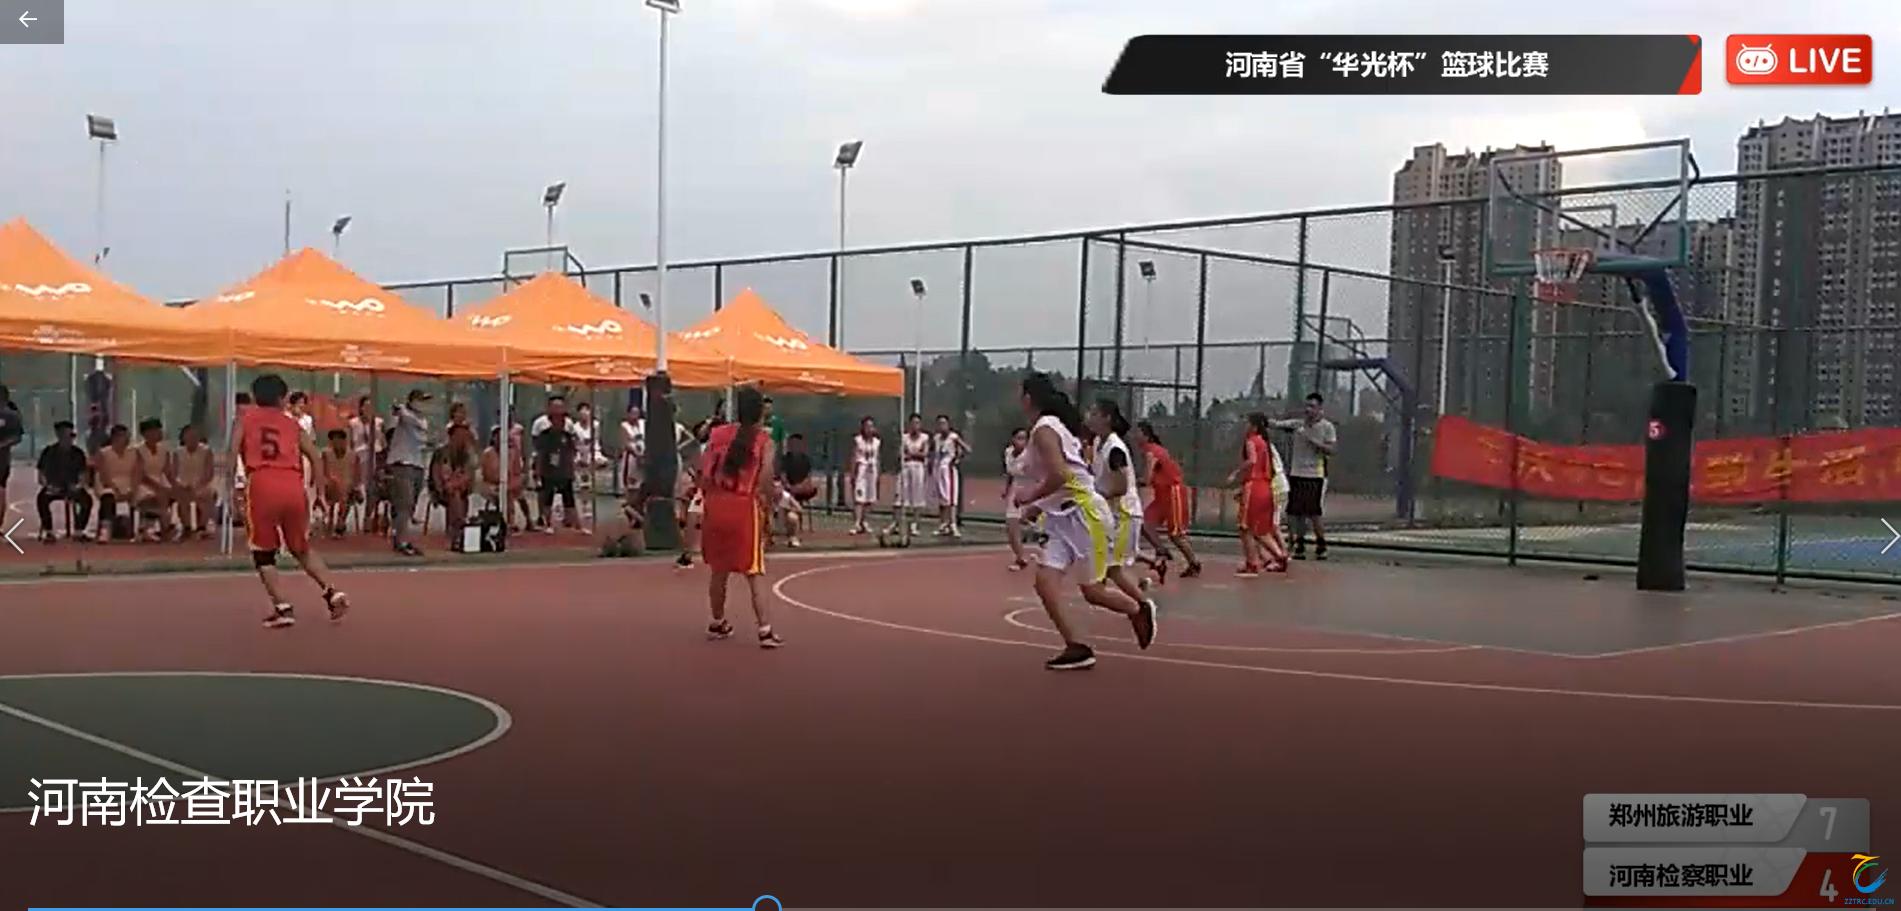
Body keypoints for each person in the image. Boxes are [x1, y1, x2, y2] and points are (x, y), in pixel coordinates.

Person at [1010, 372, 1156, 670]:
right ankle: (1076, 646)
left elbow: (1061, 475)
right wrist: (1039, 506)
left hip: (1086, 515)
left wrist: (1029, 497)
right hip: (1061, 518)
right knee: (1045, 582)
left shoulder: (1045, 429)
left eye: (1020, 393)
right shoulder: (1049, 427)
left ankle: (1138, 608)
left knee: (1093, 592)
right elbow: (1065, 477)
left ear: (1028, 398)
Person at [235, 374, 350, 629]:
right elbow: (315, 456)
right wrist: (320, 492)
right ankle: (332, 591)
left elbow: (232, 452)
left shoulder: (246, 420)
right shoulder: (292, 424)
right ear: (283, 398)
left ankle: (282, 606)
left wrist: (233, 490)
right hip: (292, 484)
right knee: (301, 547)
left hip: (262, 483)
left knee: (263, 551)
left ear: (255, 396)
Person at [698, 387, 783, 649]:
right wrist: (768, 503)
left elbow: (703, 469)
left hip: (716, 503)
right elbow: (766, 477)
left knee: (718, 569)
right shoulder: (764, 441)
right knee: (753, 570)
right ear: (761, 412)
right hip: (743, 505)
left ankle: (717, 621)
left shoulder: (718, 434)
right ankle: (765, 630)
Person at [1086, 400, 1166, 607]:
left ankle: (1142, 603)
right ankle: (1136, 597)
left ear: (1106, 418)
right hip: (1111, 514)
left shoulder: (1115, 448)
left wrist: (1097, 494)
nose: (1089, 417)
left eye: (1094, 413)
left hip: (1124, 514)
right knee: (1109, 565)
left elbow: (1121, 487)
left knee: (1113, 568)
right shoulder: (1098, 442)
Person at [1271, 392, 1337, 560]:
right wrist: (1265, 421)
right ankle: (1299, 543)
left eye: (1312, 406)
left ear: (1320, 408)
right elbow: (1278, 424)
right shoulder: (1298, 425)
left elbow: (1331, 450)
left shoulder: (1327, 427)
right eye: (1306, 406)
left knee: (1314, 512)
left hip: (1314, 475)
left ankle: (1321, 544)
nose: (1308, 410)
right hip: (1297, 473)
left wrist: (1311, 440)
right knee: (1296, 512)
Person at [1134, 420, 1201, 580]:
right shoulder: (1149, 451)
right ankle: (1162, 551)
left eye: (1138, 433)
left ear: (1146, 435)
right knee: (1145, 524)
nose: (1135, 436)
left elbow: (1147, 478)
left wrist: (1131, 481)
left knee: (1176, 534)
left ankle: (1194, 563)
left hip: (1173, 492)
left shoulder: (1152, 452)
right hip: (1161, 494)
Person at [1230, 412, 1289, 577]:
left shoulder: (1251, 441)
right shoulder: (1264, 443)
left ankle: (1253, 563)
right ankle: (1279, 555)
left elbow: (1252, 461)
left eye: (1247, 423)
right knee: (1260, 529)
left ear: (1254, 426)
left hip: (1255, 486)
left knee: (1245, 527)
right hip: (1265, 486)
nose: (1245, 426)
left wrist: (1235, 473)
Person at [387, 389, 431, 556]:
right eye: (420, 400)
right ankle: (401, 541)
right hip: (402, 463)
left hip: (417, 464)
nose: (423, 404)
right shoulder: (402, 414)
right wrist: (399, 409)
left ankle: (401, 535)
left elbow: (422, 437)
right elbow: (396, 416)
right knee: (404, 503)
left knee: (411, 504)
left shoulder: (422, 421)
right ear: (412, 401)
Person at [35, 420, 92, 542]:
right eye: (67, 436)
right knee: (42, 499)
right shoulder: (48, 452)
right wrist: (48, 486)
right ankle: (49, 531)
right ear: (59, 436)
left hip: (73, 486)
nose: (69, 439)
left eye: (72, 436)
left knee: (87, 500)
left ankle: (79, 530)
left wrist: (79, 485)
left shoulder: (78, 453)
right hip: (53, 486)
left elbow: (84, 474)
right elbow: (41, 474)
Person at [533, 403, 583, 534]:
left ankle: (576, 524)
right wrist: (538, 473)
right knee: (548, 498)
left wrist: (572, 468)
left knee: (569, 498)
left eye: (562, 419)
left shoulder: (567, 435)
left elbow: (573, 451)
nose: (560, 422)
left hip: (564, 471)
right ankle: (547, 523)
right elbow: (540, 454)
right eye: (556, 418)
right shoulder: (545, 435)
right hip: (549, 471)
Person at [132, 418, 176, 541]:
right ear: (146, 433)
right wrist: (157, 487)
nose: (159, 433)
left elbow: (168, 473)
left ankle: (162, 526)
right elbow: (140, 475)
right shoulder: (138, 451)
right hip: (143, 484)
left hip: (160, 481)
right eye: (156, 430)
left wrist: (177, 487)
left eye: (159, 430)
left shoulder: (164, 450)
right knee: (158, 495)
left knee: (170, 493)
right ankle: (161, 527)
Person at [479, 425, 531, 531]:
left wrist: (511, 482)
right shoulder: (487, 453)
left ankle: (528, 520)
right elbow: (487, 474)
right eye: (497, 436)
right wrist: (501, 483)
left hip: (510, 483)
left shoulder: (513, 452)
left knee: (513, 490)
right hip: (492, 484)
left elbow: (517, 471)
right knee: (505, 493)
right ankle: (509, 521)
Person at [433, 422, 478, 543]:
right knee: (454, 494)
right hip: (441, 487)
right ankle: (458, 526)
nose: (463, 439)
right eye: (459, 435)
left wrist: (458, 484)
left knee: (457, 493)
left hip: (460, 486)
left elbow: (469, 473)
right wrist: (446, 485)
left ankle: (457, 527)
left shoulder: (467, 454)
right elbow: (438, 474)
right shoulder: (442, 452)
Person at [92, 424, 138, 542]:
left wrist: (132, 488)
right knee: (108, 496)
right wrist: (116, 489)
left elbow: (136, 473)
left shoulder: (133, 452)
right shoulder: (103, 453)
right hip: (108, 483)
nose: (127, 439)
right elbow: (103, 475)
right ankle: (105, 529)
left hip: (127, 483)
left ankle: (145, 528)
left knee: (145, 495)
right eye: (123, 436)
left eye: (127, 436)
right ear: (114, 437)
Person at [171, 425, 217, 539]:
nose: (192, 438)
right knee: (181, 496)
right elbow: (174, 474)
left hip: (201, 484)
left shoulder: (206, 451)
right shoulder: (178, 452)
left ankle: (202, 527)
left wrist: (196, 485)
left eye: (195, 436)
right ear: (183, 438)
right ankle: (186, 526)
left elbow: (209, 474)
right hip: (182, 484)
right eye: (189, 436)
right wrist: (180, 484)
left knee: (207, 495)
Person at [347, 394, 384, 531]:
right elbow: (351, 443)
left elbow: (383, 442)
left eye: (370, 406)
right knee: (356, 487)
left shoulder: (379, 422)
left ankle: (369, 517)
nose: (368, 409)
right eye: (365, 406)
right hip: (360, 457)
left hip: (375, 456)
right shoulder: (353, 423)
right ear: (361, 408)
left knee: (373, 488)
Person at [891, 413, 931, 538]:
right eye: (913, 423)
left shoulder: (924, 438)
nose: (915, 425)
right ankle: (897, 523)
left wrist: (912, 454)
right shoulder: (905, 438)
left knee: (917, 496)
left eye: (917, 423)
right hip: (906, 467)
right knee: (900, 494)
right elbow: (900, 454)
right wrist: (913, 454)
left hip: (918, 468)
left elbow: (924, 454)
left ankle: (915, 524)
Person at [930, 414, 970, 539]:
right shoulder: (936, 438)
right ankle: (943, 524)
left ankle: (953, 524)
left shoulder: (953, 437)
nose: (941, 426)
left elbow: (967, 449)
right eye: (939, 423)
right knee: (942, 499)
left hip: (949, 470)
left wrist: (957, 458)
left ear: (948, 425)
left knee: (951, 499)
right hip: (938, 470)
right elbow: (932, 453)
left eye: (944, 423)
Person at [775, 432, 817, 548]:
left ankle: (795, 523)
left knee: (810, 489)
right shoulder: (785, 460)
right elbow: (782, 476)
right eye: (792, 443)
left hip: (802, 488)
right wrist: (789, 486)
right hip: (788, 489)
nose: (795, 446)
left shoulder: (806, 460)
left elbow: (808, 477)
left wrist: (800, 487)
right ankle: (790, 527)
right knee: (786, 497)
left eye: (797, 444)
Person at [1001, 427, 1033, 571]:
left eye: (1024, 438)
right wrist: (1006, 490)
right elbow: (1010, 474)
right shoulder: (1008, 452)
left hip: (1032, 489)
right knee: (1011, 525)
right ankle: (1020, 558)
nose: (1022, 442)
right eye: (1019, 438)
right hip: (1015, 490)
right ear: (1012, 439)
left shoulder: (1030, 455)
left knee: (1041, 526)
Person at [318, 428, 356, 538]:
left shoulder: (352, 455)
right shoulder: (326, 454)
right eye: (334, 440)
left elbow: (356, 474)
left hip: (347, 486)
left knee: (347, 491)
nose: (337, 443)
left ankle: (340, 520)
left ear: (344, 441)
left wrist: (353, 485)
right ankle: (340, 522)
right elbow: (324, 472)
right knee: (337, 486)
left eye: (339, 440)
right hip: (331, 486)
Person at [848, 416, 880, 536]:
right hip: (861, 470)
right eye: (867, 426)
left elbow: (878, 458)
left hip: (872, 471)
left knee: (870, 498)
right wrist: (852, 474)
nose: (869, 429)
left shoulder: (877, 442)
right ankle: (856, 523)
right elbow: (853, 457)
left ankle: (864, 521)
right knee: (859, 498)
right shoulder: (858, 440)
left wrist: (878, 474)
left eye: (871, 426)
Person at [0, 384, 22, 533]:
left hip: (1, 461)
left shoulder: (11, 415)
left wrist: (2, 445)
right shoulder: (13, 415)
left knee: (1, 490)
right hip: (3, 460)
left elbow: (16, 436)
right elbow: (17, 437)